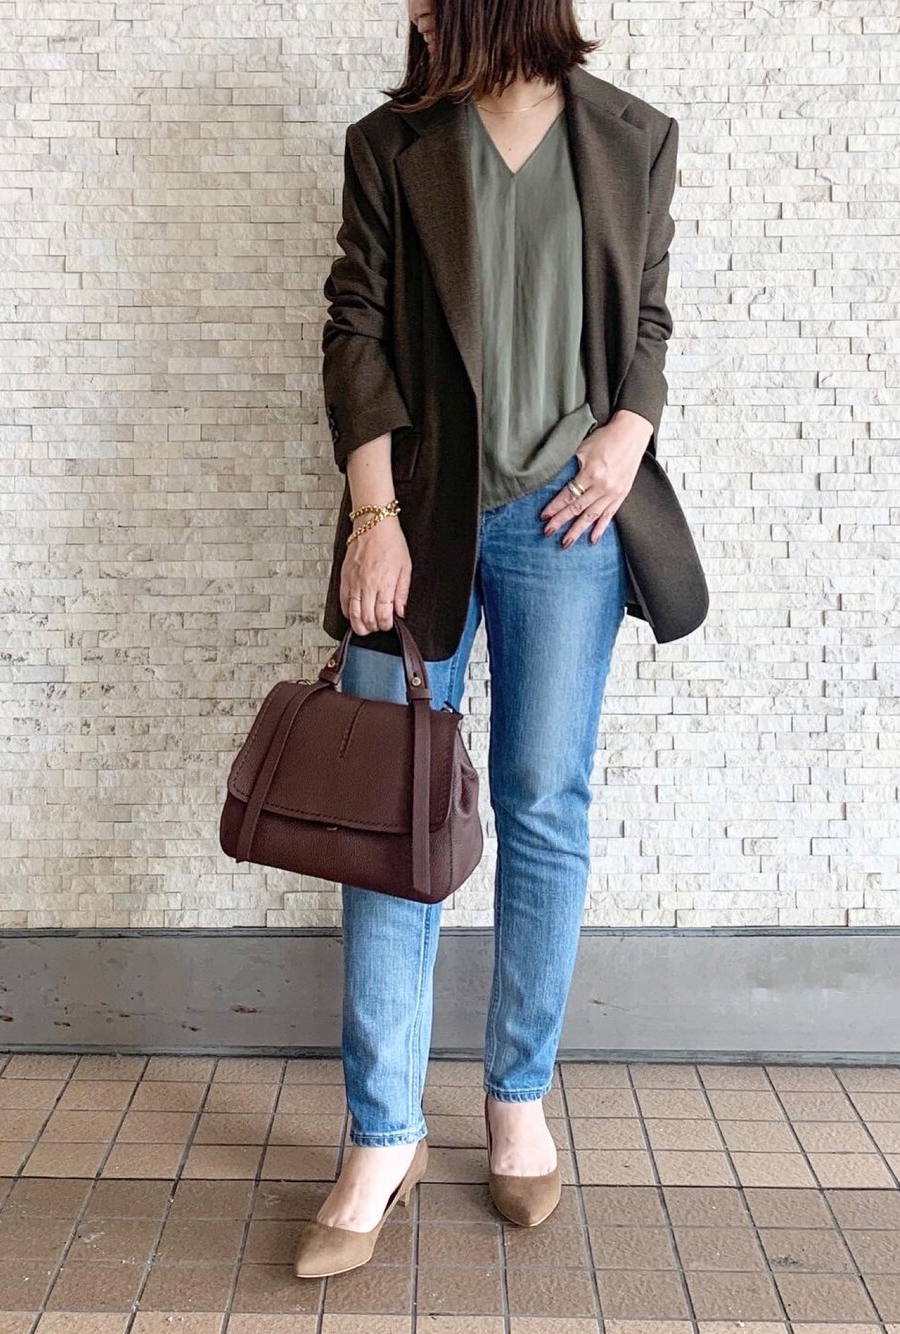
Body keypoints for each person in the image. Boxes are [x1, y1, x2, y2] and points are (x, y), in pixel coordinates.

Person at [294, 0, 680, 1278]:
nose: (409, 4)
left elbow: (647, 323)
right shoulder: (392, 144)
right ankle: (381, 1133)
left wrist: (625, 435)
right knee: (385, 815)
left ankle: (517, 1099)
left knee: (543, 802)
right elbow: (354, 328)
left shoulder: (631, 138)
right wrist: (372, 518)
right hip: (418, 515)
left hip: (571, 521)